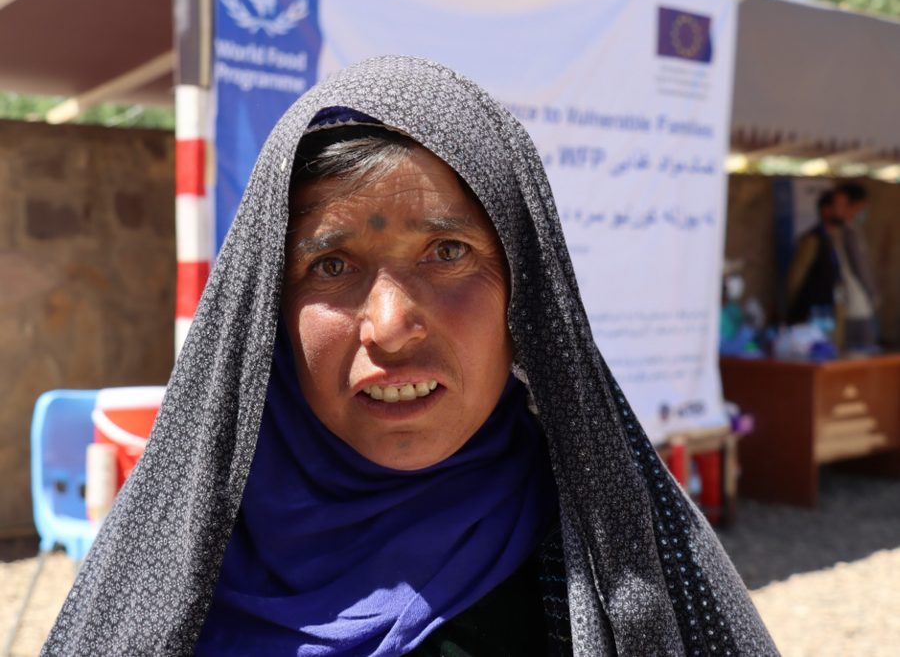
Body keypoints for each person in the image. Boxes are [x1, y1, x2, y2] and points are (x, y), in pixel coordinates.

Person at [41, 56, 776, 656]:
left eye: (448, 252)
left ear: (526, 299)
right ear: (265, 309)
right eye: (331, 265)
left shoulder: (618, 562)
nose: (390, 328)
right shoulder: (170, 568)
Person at [786, 191, 841, 328]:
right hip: (813, 311)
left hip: (829, 308)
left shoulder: (835, 238)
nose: (844, 211)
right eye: (840, 206)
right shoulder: (813, 239)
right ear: (826, 209)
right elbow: (795, 278)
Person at [833, 182, 878, 348]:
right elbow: (859, 266)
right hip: (857, 300)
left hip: (855, 299)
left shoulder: (849, 230)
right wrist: (872, 293)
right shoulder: (848, 232)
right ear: (858, 204)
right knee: (860, 348)